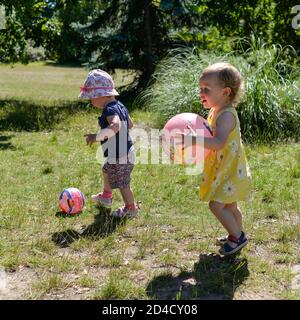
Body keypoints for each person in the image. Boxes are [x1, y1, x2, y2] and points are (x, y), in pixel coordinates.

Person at [179, 62, 252, 256]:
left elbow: (218, 142)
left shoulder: (226, 116)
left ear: (225, 92)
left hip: (229, 169)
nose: (201, 92)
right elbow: (211, 134)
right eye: (200, 88)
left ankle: (238, 237)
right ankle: (235, 233)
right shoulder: (216, 110)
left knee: (216, 205)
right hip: (226, 167)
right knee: (230, 205)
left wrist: (195, 139)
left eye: (206, 89)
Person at [79, 69, 139, 218]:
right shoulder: (119, 105)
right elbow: (130, 124)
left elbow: (115, 125)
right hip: (122, 152)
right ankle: (106, 196)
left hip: (121, 155)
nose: (91, 102)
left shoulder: (110, 109)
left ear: (101, 95)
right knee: (106, 169)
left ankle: (131, 209)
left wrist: (97, 136)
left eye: (91, 98)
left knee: (123, 183)